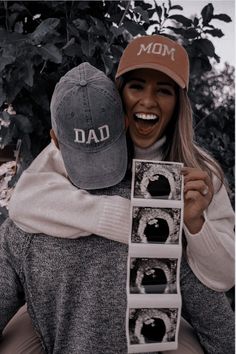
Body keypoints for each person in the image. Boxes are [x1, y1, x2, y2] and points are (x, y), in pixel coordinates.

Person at [2, 35, 235, 354]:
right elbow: (25, 202)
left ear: (179, 103)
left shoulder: (199, 170)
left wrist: (195, 226)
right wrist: (131, 220)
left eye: (164, 91)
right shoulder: (84, 140)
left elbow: (223, 278)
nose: (148, 101)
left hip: (155, 307)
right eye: (136, 86)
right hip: (58, 307)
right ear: (118, 93)